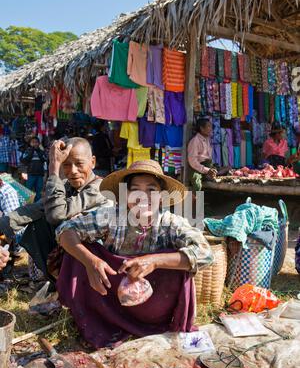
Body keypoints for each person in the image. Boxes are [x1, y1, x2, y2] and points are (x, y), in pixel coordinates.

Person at [56, 160, 213, 348]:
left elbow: (205, 253)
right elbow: (65, 230)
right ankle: (99, 320)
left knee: (182, 260)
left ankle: (148, 324)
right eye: (135, 190)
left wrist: (154, 262)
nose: (143, 197)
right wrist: (91, 262)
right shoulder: (112, 216)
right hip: (110, 296)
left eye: (151, 190)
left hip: (153, 303)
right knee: (82, 250)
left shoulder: (171, 222)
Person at [0, 137, 111, 281]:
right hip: (68, 251)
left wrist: (54, 167)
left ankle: (71, 281)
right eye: (66, 165)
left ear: (93, 162)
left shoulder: (100, 188)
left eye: (79, 164)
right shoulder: (66, 186)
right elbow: (34, 209)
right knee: (37, 219)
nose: (73, 171)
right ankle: (56, 279)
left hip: (96, 256)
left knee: (58, 221)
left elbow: (57, 214)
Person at [187, 118, 230, 192]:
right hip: (197, 168)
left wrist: (210, 169)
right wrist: (207, 170)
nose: (211, 129)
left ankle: (209, 176)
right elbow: (193, 162)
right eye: (208, 126)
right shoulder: (195, 141)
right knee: (197, 184)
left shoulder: (207, 139)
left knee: (227, 169)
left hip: (208, 166)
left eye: (211, 126)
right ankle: (195, 202)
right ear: (202, 128)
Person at [21, 136, 47, 202]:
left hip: (39, 175)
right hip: (30, 174)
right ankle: (27, 204)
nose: (35, 144)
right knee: (28, 191)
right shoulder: (27, 151)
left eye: (36, 142)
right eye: (33, 142)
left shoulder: (41, 151)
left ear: (39, 143)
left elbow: (44, 159)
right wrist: (32, 151)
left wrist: (38, 151)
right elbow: (24, 160)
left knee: (39, 192)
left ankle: (37, 206)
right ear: (30, 143)